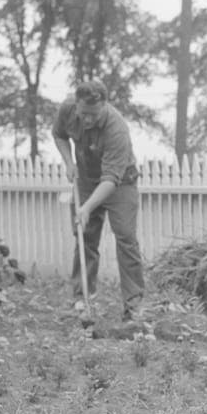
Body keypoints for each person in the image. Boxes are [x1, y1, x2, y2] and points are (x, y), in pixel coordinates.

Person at [52, 79, 146, 322]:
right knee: (85, 237)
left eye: (93, 114)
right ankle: (82, 298)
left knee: (126, 237)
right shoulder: (68, 109)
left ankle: (133, 306)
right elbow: (59, 135)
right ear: (77, 104)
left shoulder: (117, 128)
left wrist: (87, 207)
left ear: (104, 106)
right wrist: (69, 162)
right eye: (83, 113)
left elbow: (111, 179)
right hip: (85, 180)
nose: (88, 120)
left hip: (120, 182)